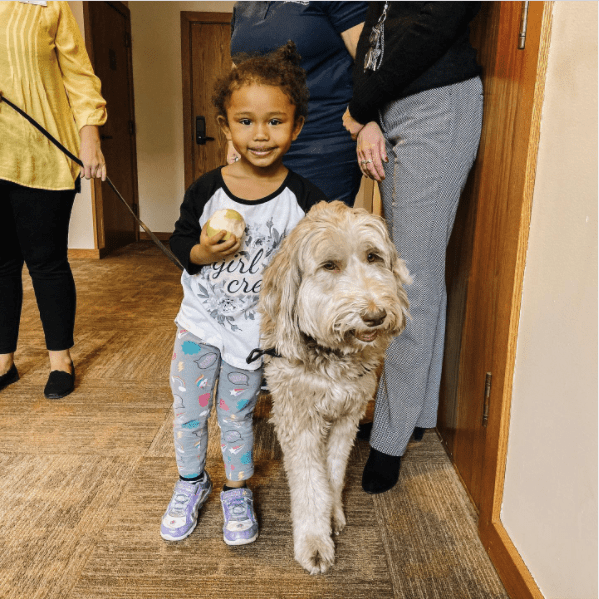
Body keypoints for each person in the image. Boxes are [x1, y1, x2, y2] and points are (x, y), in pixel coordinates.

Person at [161, 42, 328, 545]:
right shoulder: (206, 189)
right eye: (246, 121)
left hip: (252, 335)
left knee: (236, 416)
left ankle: (236, 486)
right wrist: (202, 254)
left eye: (275, 121)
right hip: (199, 323)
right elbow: (179, 242)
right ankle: (191, 481)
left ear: (296, 126)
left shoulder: (304, 199)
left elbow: (319, 264)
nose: (260, 135)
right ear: (225, 124)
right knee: (189, 410)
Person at [343, 2, 484, 494]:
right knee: (419, 274)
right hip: (398, 108)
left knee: (410, 287)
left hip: (436, 106)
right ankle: (416, 415)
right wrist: (372, 113)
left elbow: (433, 24)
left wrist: (361, 109)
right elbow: (378, 39)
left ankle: (389, 439)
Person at [0, 1, 107, 399]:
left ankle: (60, 359)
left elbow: (80, 76)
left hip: (42, 154)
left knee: (46, 262)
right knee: (0, 265)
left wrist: (90, 137)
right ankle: (3, 361)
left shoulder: (49, 4)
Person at [229, 1, 368, 206]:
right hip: (261, 142)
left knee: (315, 231)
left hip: (321, 140)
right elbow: (238, 73)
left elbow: (370, 60)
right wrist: (233, 139)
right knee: (263, 230)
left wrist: (368, 116)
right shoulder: (244, 5)